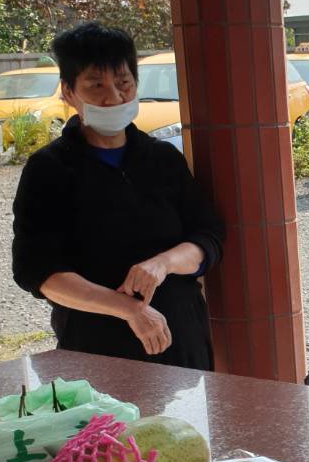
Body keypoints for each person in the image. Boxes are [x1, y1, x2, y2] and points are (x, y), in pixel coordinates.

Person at [12, 22, 224, 369]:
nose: (113, 97)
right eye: (96, 85)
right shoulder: (49, 168)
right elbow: (38, 271)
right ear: (68, 92)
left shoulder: (163, 158)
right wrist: (129, 309)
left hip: (181, 338)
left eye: (124, 83)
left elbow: (208, 237)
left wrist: (163, 264)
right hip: (95, 347)